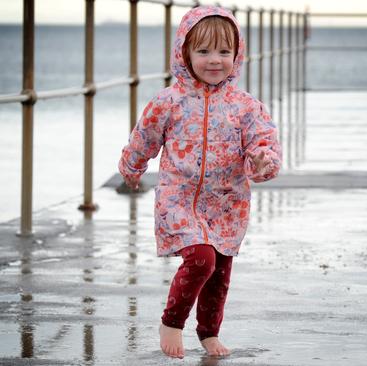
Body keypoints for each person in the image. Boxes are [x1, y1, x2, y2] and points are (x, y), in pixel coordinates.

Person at [118, 5, 281, 359]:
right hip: (179, 200)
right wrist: (132, 167)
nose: (214, 60)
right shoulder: (168, 101)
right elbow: (144, 137)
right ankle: (172, 322)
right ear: (184, 53)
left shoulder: (246, 107)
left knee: (219, 272)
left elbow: (265, 147)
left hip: (227, 203)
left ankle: (208, 333)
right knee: (201, 260)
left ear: (237, 56)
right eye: (203, 51)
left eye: (224, 52)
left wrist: (261, 162)